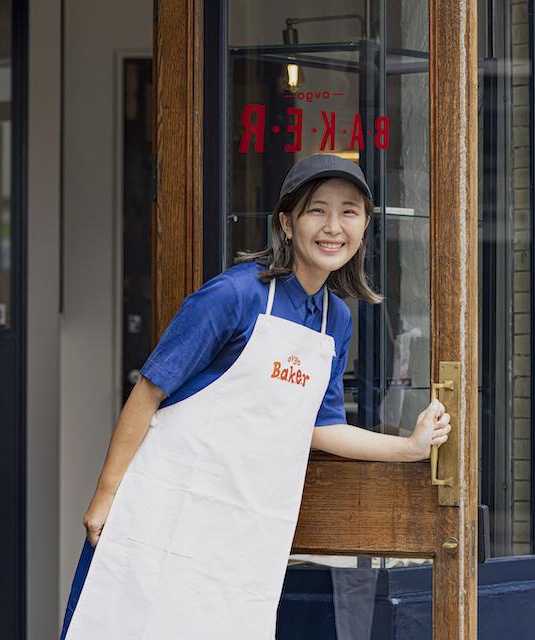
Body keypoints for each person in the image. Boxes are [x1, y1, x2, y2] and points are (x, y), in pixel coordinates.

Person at [60, 154, 452, 640]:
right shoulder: (234, 295)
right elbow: (148, 391)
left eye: (349, 212)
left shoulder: (336, 320)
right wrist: (105, 498)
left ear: (365, 226)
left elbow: (321, 427)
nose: (333, 227)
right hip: (163, 517)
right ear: (286, 224)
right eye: (316, 210)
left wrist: (409, 448)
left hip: (240, 539)